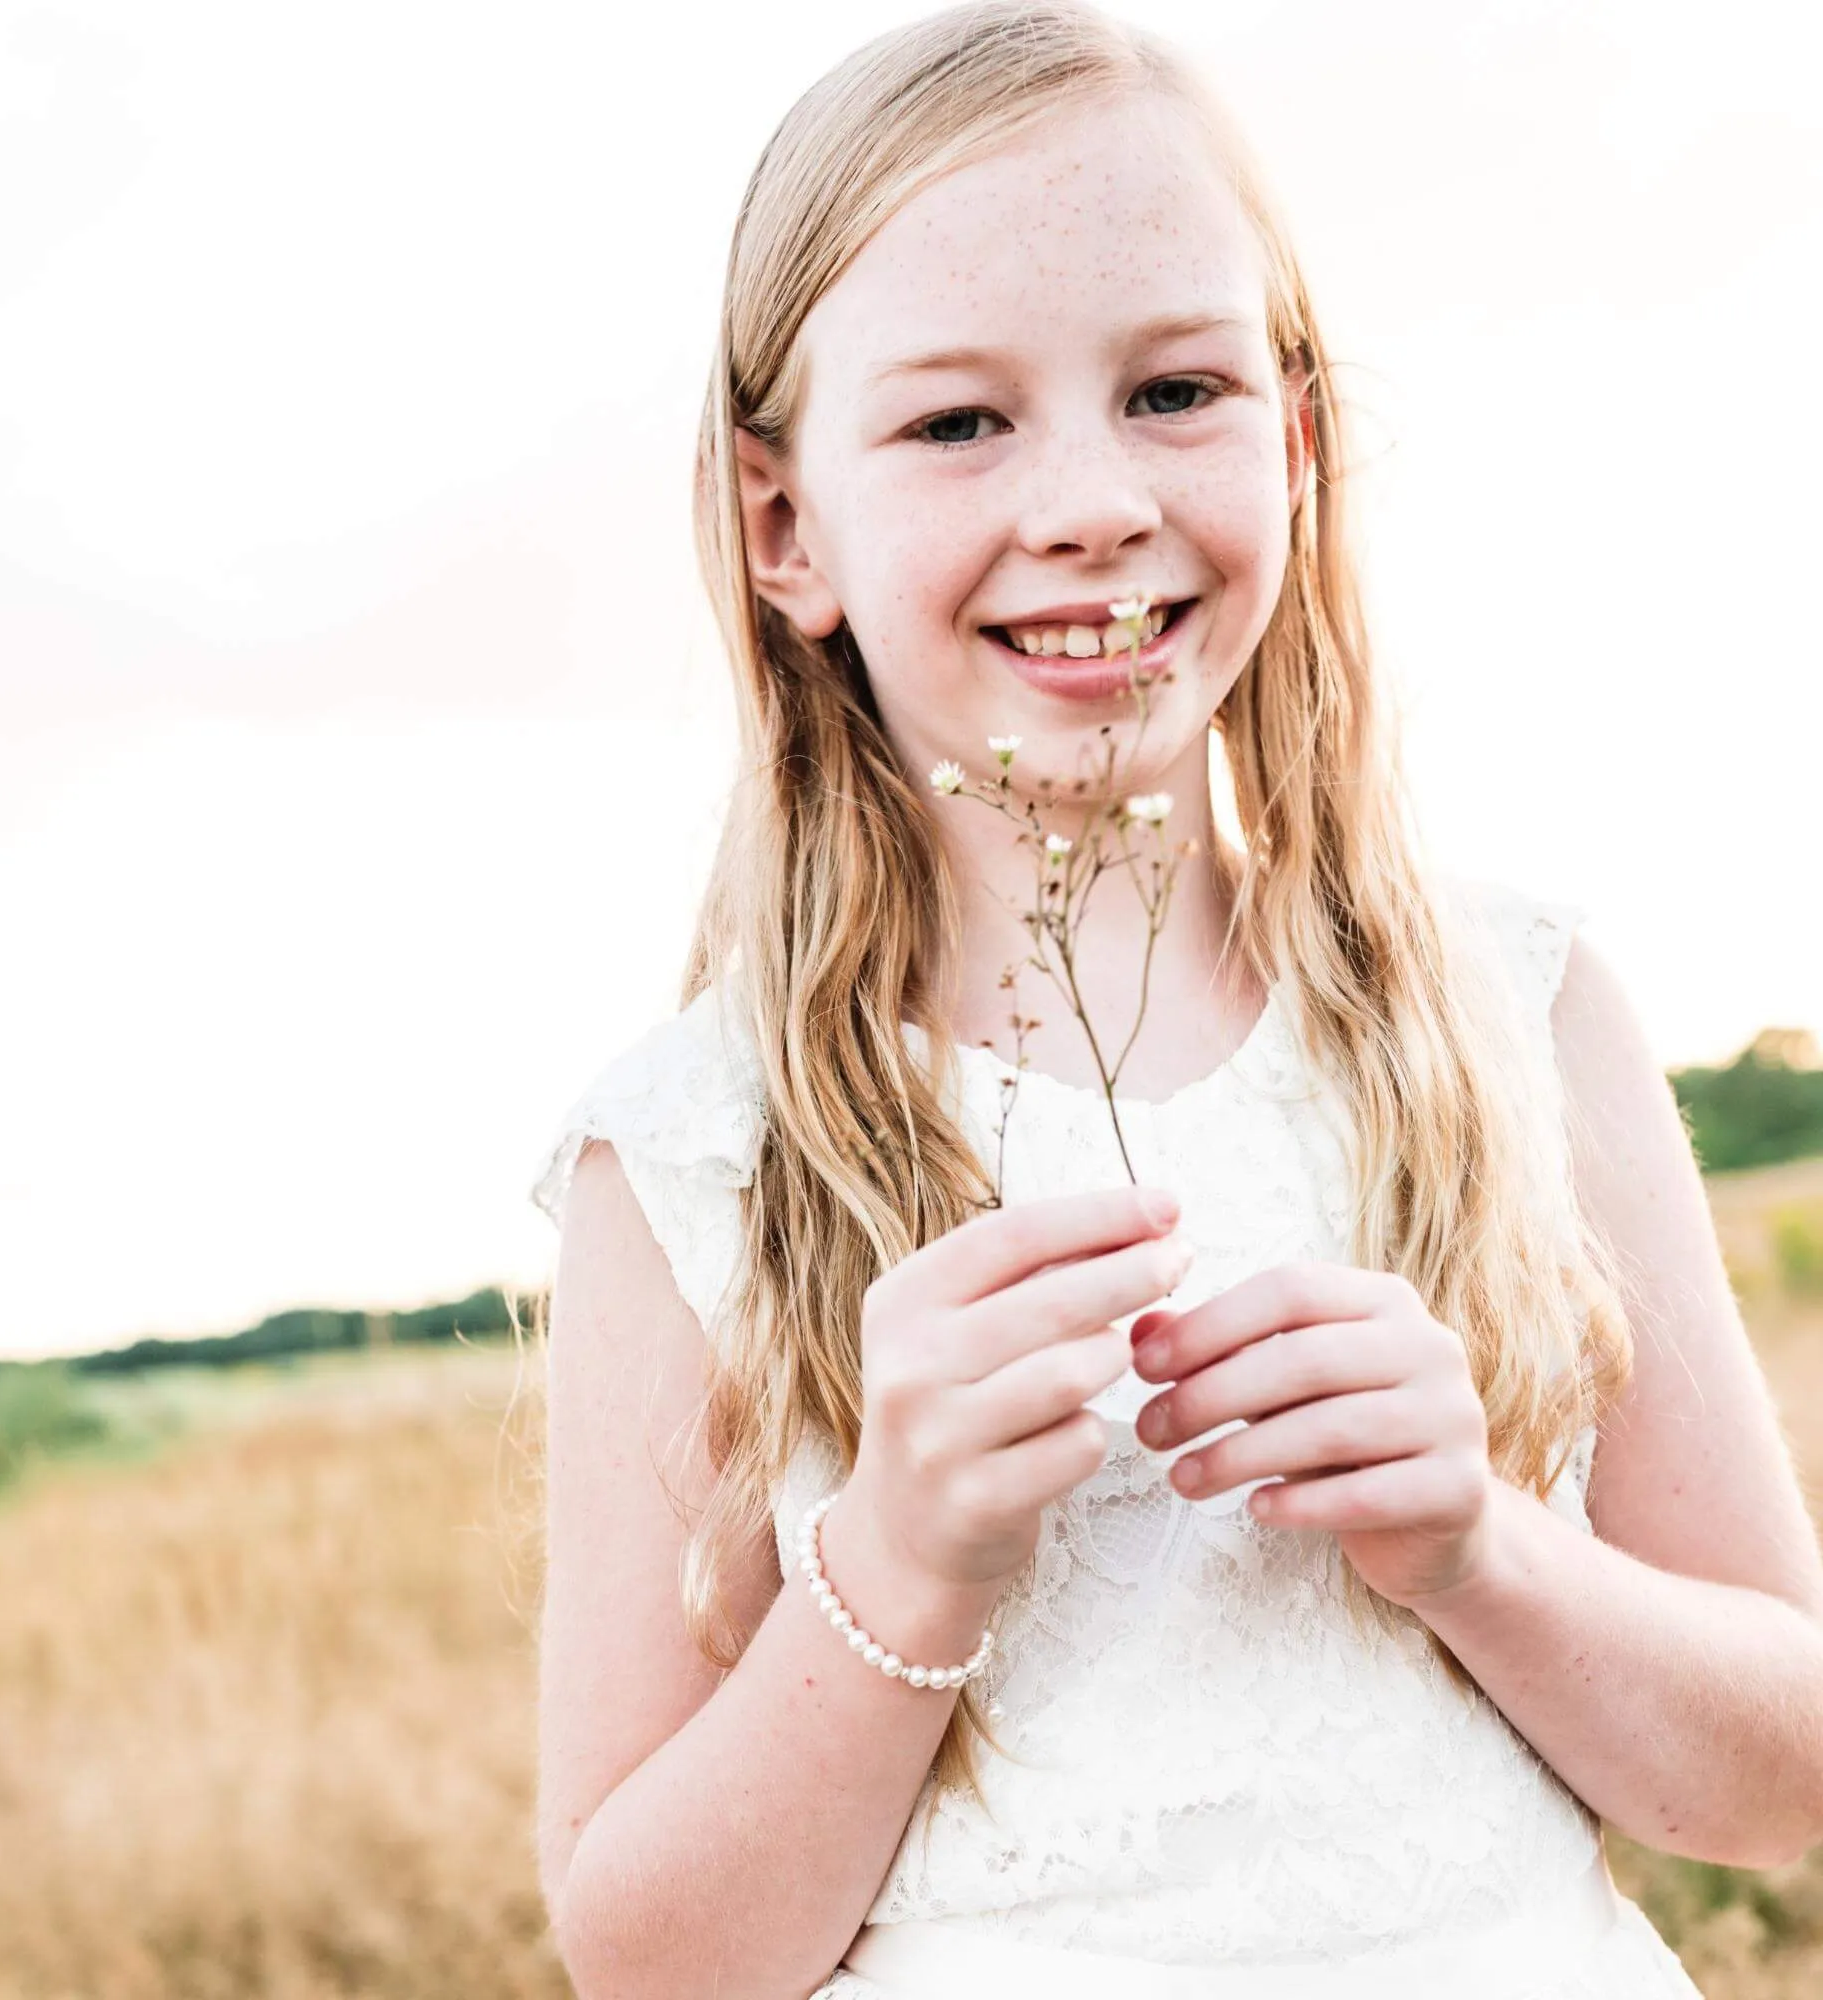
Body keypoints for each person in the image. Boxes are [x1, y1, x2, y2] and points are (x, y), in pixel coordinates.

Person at [522, 6, 1823, 1995]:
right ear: (787, 527)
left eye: (1175, 390)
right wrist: (897, 1556)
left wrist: (1478, 1539)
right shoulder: (695, 1151)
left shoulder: (1513, 1009)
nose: (1090, 502)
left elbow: (1777, 1781)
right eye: (959, 422)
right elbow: (650, 1962)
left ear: (1295, 446)